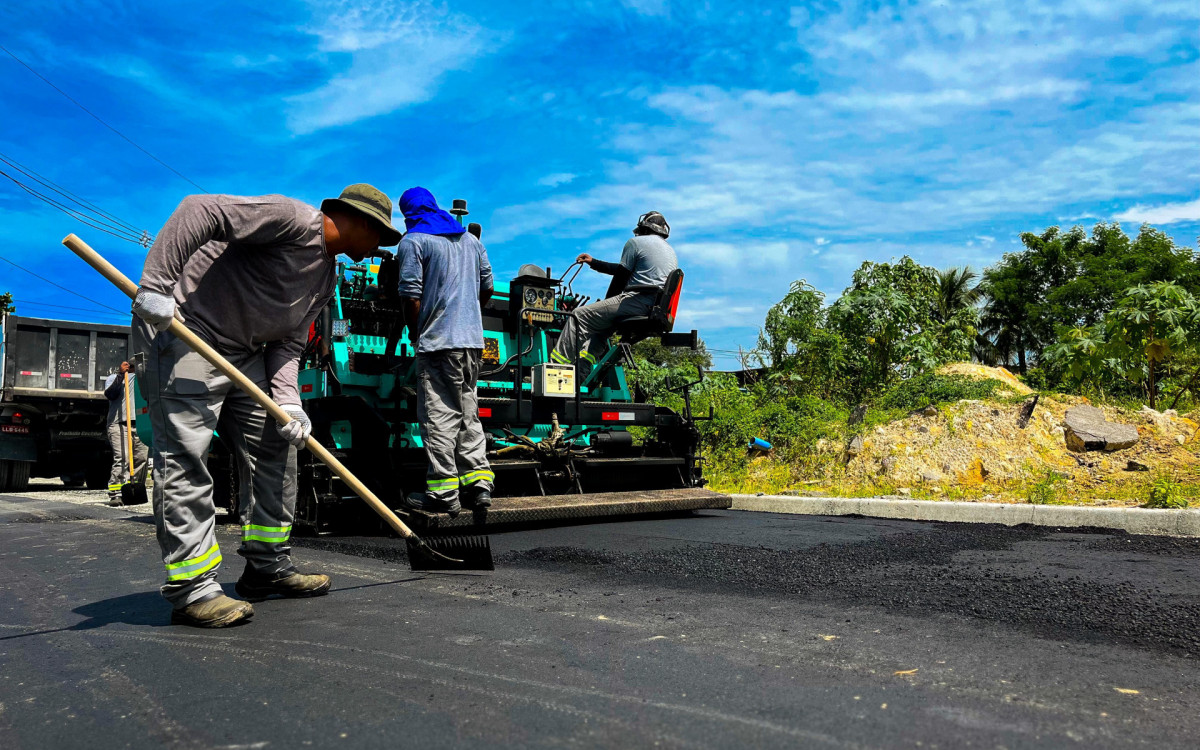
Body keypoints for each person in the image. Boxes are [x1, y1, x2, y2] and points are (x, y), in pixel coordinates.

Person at [130, 185, 401, 628]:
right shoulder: (291, 218)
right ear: (361, 222)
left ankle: (267, 565)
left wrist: (290, 404)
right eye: (380, 237)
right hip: (188, 335)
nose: (378, 249)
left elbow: (290, 342)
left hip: (246, 351)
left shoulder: (326, 277)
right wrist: (157, 287)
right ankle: (194, 588)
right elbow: (200, 209)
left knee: (277, 446)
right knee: (184, 458)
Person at [395, 187, 495, 517]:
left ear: (409, 213)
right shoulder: (470, 240)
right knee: (468, 411)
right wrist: (468, 316)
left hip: (438, 343)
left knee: (439, 416)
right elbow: (488, 287)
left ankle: (443, 494)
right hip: (472, 343)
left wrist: (416, 330)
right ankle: (479, 485)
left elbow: (410, 296)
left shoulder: (413, 242)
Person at [550, 211, 678, 376]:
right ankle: (584, 365)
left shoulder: (635, 242)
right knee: (602, 326)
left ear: (643, 228)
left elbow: (620, 278)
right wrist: (594, 262)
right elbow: (624, 270)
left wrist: (606, 303)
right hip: (656, 307)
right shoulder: (670, 252)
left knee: (578, 316)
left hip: (636, 301)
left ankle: (553, 369)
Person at [103, 360, 149, 507]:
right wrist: (121, 375)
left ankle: (132, 491)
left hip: (140, 424)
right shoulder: (115, 378)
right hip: (119, 424)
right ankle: (115, 494)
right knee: (123, 458)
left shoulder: (144, 380)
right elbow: (110, 394)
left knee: (141, 458)